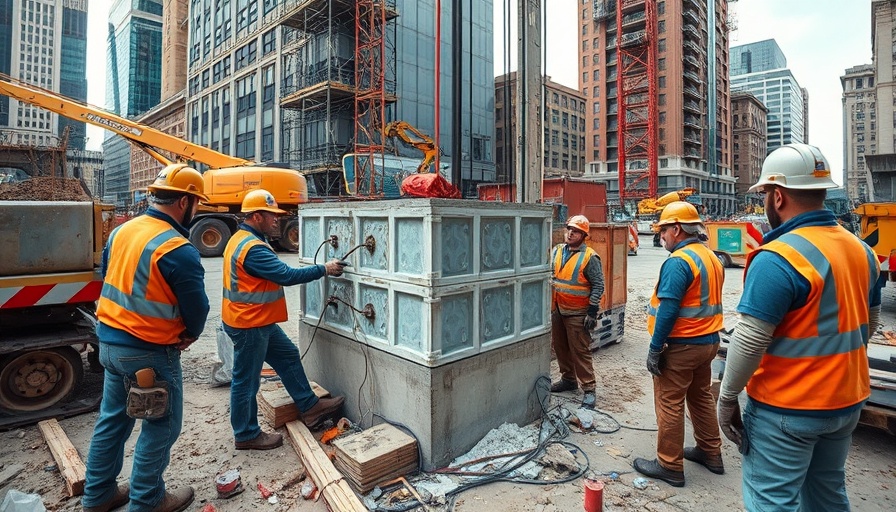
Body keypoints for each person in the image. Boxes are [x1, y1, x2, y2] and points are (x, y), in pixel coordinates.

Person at [717, 143, 881, 511]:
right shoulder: (861, 250)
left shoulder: (779, 256)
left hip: (788, 408)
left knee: (772, 501)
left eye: (763, 196)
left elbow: (750, 339)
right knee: (827, 495)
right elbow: (870, 322)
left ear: (777, 196)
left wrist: (727, 398)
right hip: (846, 402)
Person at [82, 164, 210, 512]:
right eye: (195, 202)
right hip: (149, 353)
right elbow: (197, 310)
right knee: (161, 424)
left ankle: (97, 496)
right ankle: (148, 500)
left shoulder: (122, 231)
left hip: (108, 343)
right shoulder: (178, 249)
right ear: (185, 201)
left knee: (112, 420)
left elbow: (111, 278)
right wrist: (188, 335)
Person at [224, 189, 347, 450]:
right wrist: (324, 269)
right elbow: (286, 275)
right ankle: (246, 434)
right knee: (246, 380)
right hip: (249, 324)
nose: (277, 220)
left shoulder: (243, 238)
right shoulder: (253, 248)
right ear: (257, 216)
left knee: (288, 355)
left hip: (255, 321)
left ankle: (310, 407)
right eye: (272, 216)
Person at [633, 201, 725, 488]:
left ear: (677, 229)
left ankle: (669, 465)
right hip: (708, 342)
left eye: (663, 230)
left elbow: (669, 309)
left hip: (682, 345)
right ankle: (711, 453)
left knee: (669, 402)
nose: (660, 236)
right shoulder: (709, 256)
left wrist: (655, 347)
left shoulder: (678, 262)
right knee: (700, 397)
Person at [549, 214, 605, 407]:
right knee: (560, 348)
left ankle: (589, 388)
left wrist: (592, 311)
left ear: (584, 235)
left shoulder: (590, 257)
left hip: (577, 312)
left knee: (580, 351)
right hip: (557, 308)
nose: (571, 233)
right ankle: (568, 380)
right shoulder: (557, 251)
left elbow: (598, 285)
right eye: (570, 229)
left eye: (576, 231)